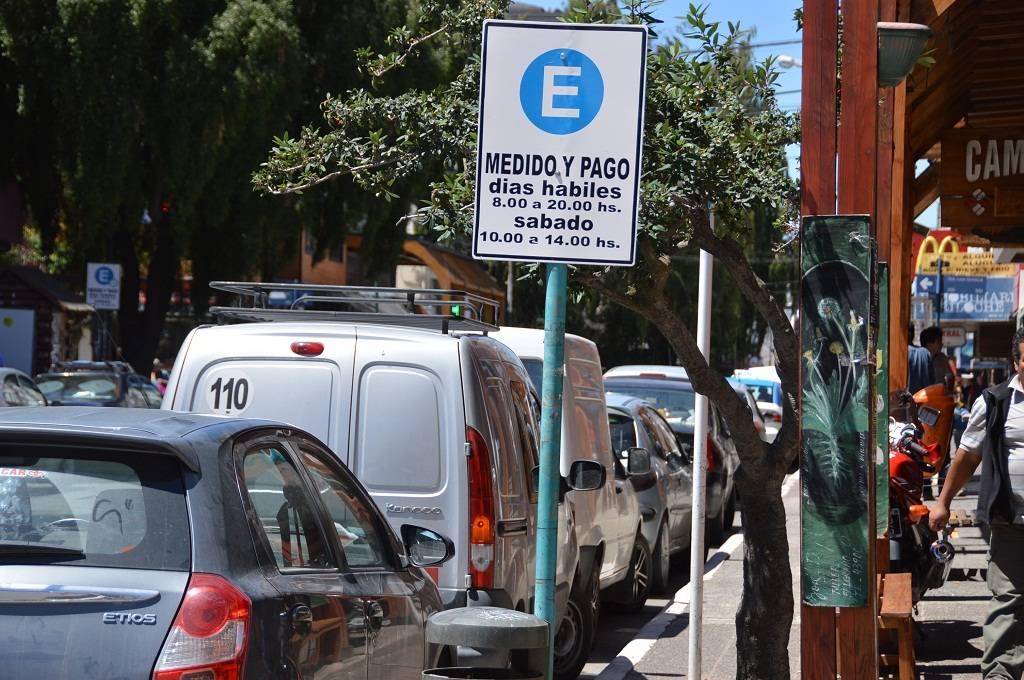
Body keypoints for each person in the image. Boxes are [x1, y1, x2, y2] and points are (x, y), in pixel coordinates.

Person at [929, 325, 1024, 679]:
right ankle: (1001, 673)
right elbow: (967, 455)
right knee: (1008, 599)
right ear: (1017, 363)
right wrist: (943, 502)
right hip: (1009, 518)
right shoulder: (996, 401)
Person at [920, 325, 956, 392]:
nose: (942, 344)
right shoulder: (919, 358)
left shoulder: (942, 358)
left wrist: (949, 392)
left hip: (939, 397)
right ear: (929, 343)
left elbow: (951, 377)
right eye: (939, 342)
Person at [908, 324, 935, 394]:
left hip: (902, 401)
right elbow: (932, 382)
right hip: (922, 400)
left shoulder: (896, 353)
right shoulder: (925, 353)